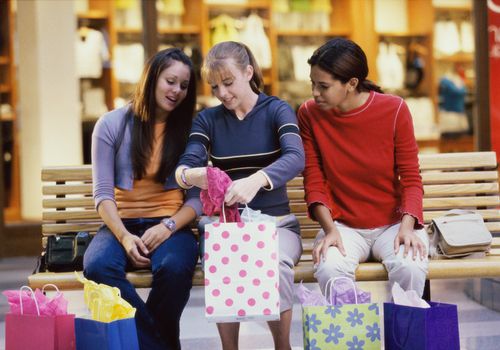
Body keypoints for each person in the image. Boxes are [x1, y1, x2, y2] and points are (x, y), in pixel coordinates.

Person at [175, 41, 304, 350]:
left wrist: (257, 180)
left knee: (276, 264)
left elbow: (296, 157)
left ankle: (282, 346)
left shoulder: (276, 110)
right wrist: (191, 175)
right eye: (215, 86)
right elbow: (186, 165)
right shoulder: (208, 120)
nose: (221, 93)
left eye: (228, 83)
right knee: (223, 258)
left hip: (278, 224)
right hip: (228, 227)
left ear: (248, 72)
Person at [83, 48, 201, 350]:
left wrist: (168, 226)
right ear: (152, 78)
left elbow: (198, 200)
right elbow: (103, 193)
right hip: (120, 224)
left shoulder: (191, 130)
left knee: (174, 268)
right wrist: (123, 237)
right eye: (170, 81)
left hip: (170, 224)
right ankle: (160, 345)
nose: (176, 91)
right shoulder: (111, 124)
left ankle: (148, 343)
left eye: (184, 86)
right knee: (97, 266)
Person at [297, 38, 429, 298]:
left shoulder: (394, 109)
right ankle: (349, 339)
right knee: (329, 268)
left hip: (393, 224)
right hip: (343, 226)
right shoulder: (309, 114)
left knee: (410, 266)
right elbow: (314, 179)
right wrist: (330, 230)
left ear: (352, 83)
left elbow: (412, 179)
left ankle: (404, 338)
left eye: (323, 86)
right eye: (312, 84)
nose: (314, 93)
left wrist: (406, 227)